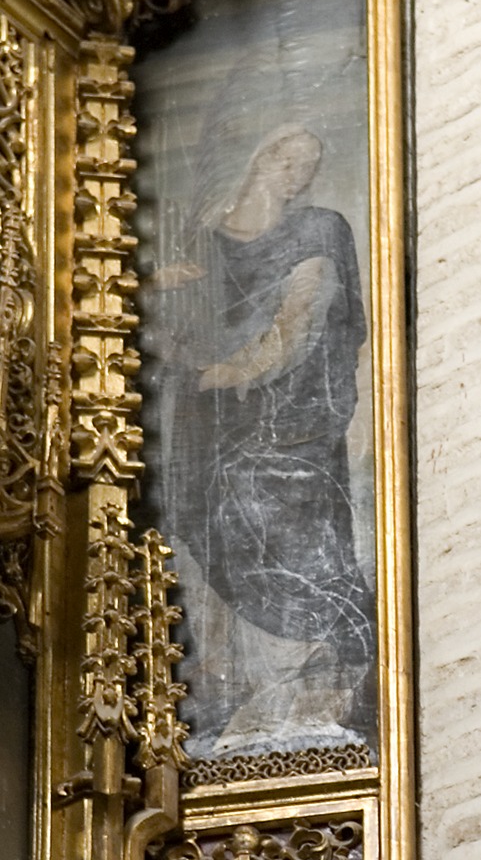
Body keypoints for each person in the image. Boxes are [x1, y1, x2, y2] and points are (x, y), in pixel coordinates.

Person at [153, 124, 375, 753]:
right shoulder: (201, 241)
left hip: (291, 416)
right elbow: (158, 328)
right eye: (288, 157)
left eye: (310, 163)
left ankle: (312, 679)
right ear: (258, 156)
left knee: (262, 502)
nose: (298, 172)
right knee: (211, 514)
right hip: (209, 416)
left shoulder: (318, 229)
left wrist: (237, 370)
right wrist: (162, 296)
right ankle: (238, 690)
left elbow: (304, 318)